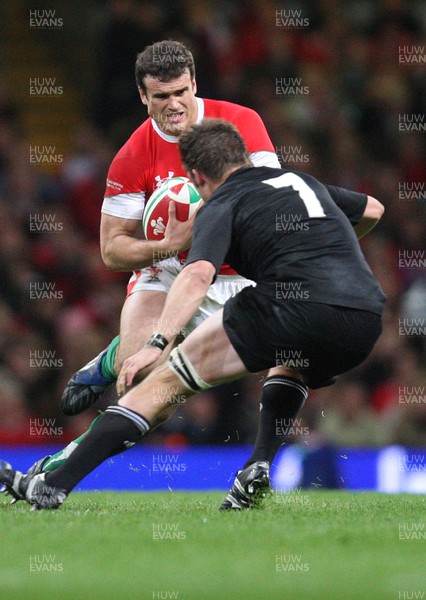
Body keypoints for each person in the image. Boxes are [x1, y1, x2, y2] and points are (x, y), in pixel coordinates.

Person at [0, 118, 386, 510]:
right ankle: (257, 466)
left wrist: (157, 342)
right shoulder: (302, 181)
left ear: (197, 176)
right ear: (244, 156)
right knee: (292, 361)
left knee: (164, 384)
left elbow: (198, 274)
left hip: (293, 307)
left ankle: (52, 485)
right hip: (364, 316)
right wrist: (323, 252)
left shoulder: (221, 202)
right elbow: (372, 209)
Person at [3, 40, 308, 503]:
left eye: (180, 92)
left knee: (285, 353)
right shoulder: (133, 155)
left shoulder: (242, 123)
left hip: (238, 272)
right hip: (166, 274)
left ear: (195, 84)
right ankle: (110, 369)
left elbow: (270, 201)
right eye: (160, 97)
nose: (173, 105)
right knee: (148, 381)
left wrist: (215, 224)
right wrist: (168, 245)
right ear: (143, 97)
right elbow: (111, 249)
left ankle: (257, 464)